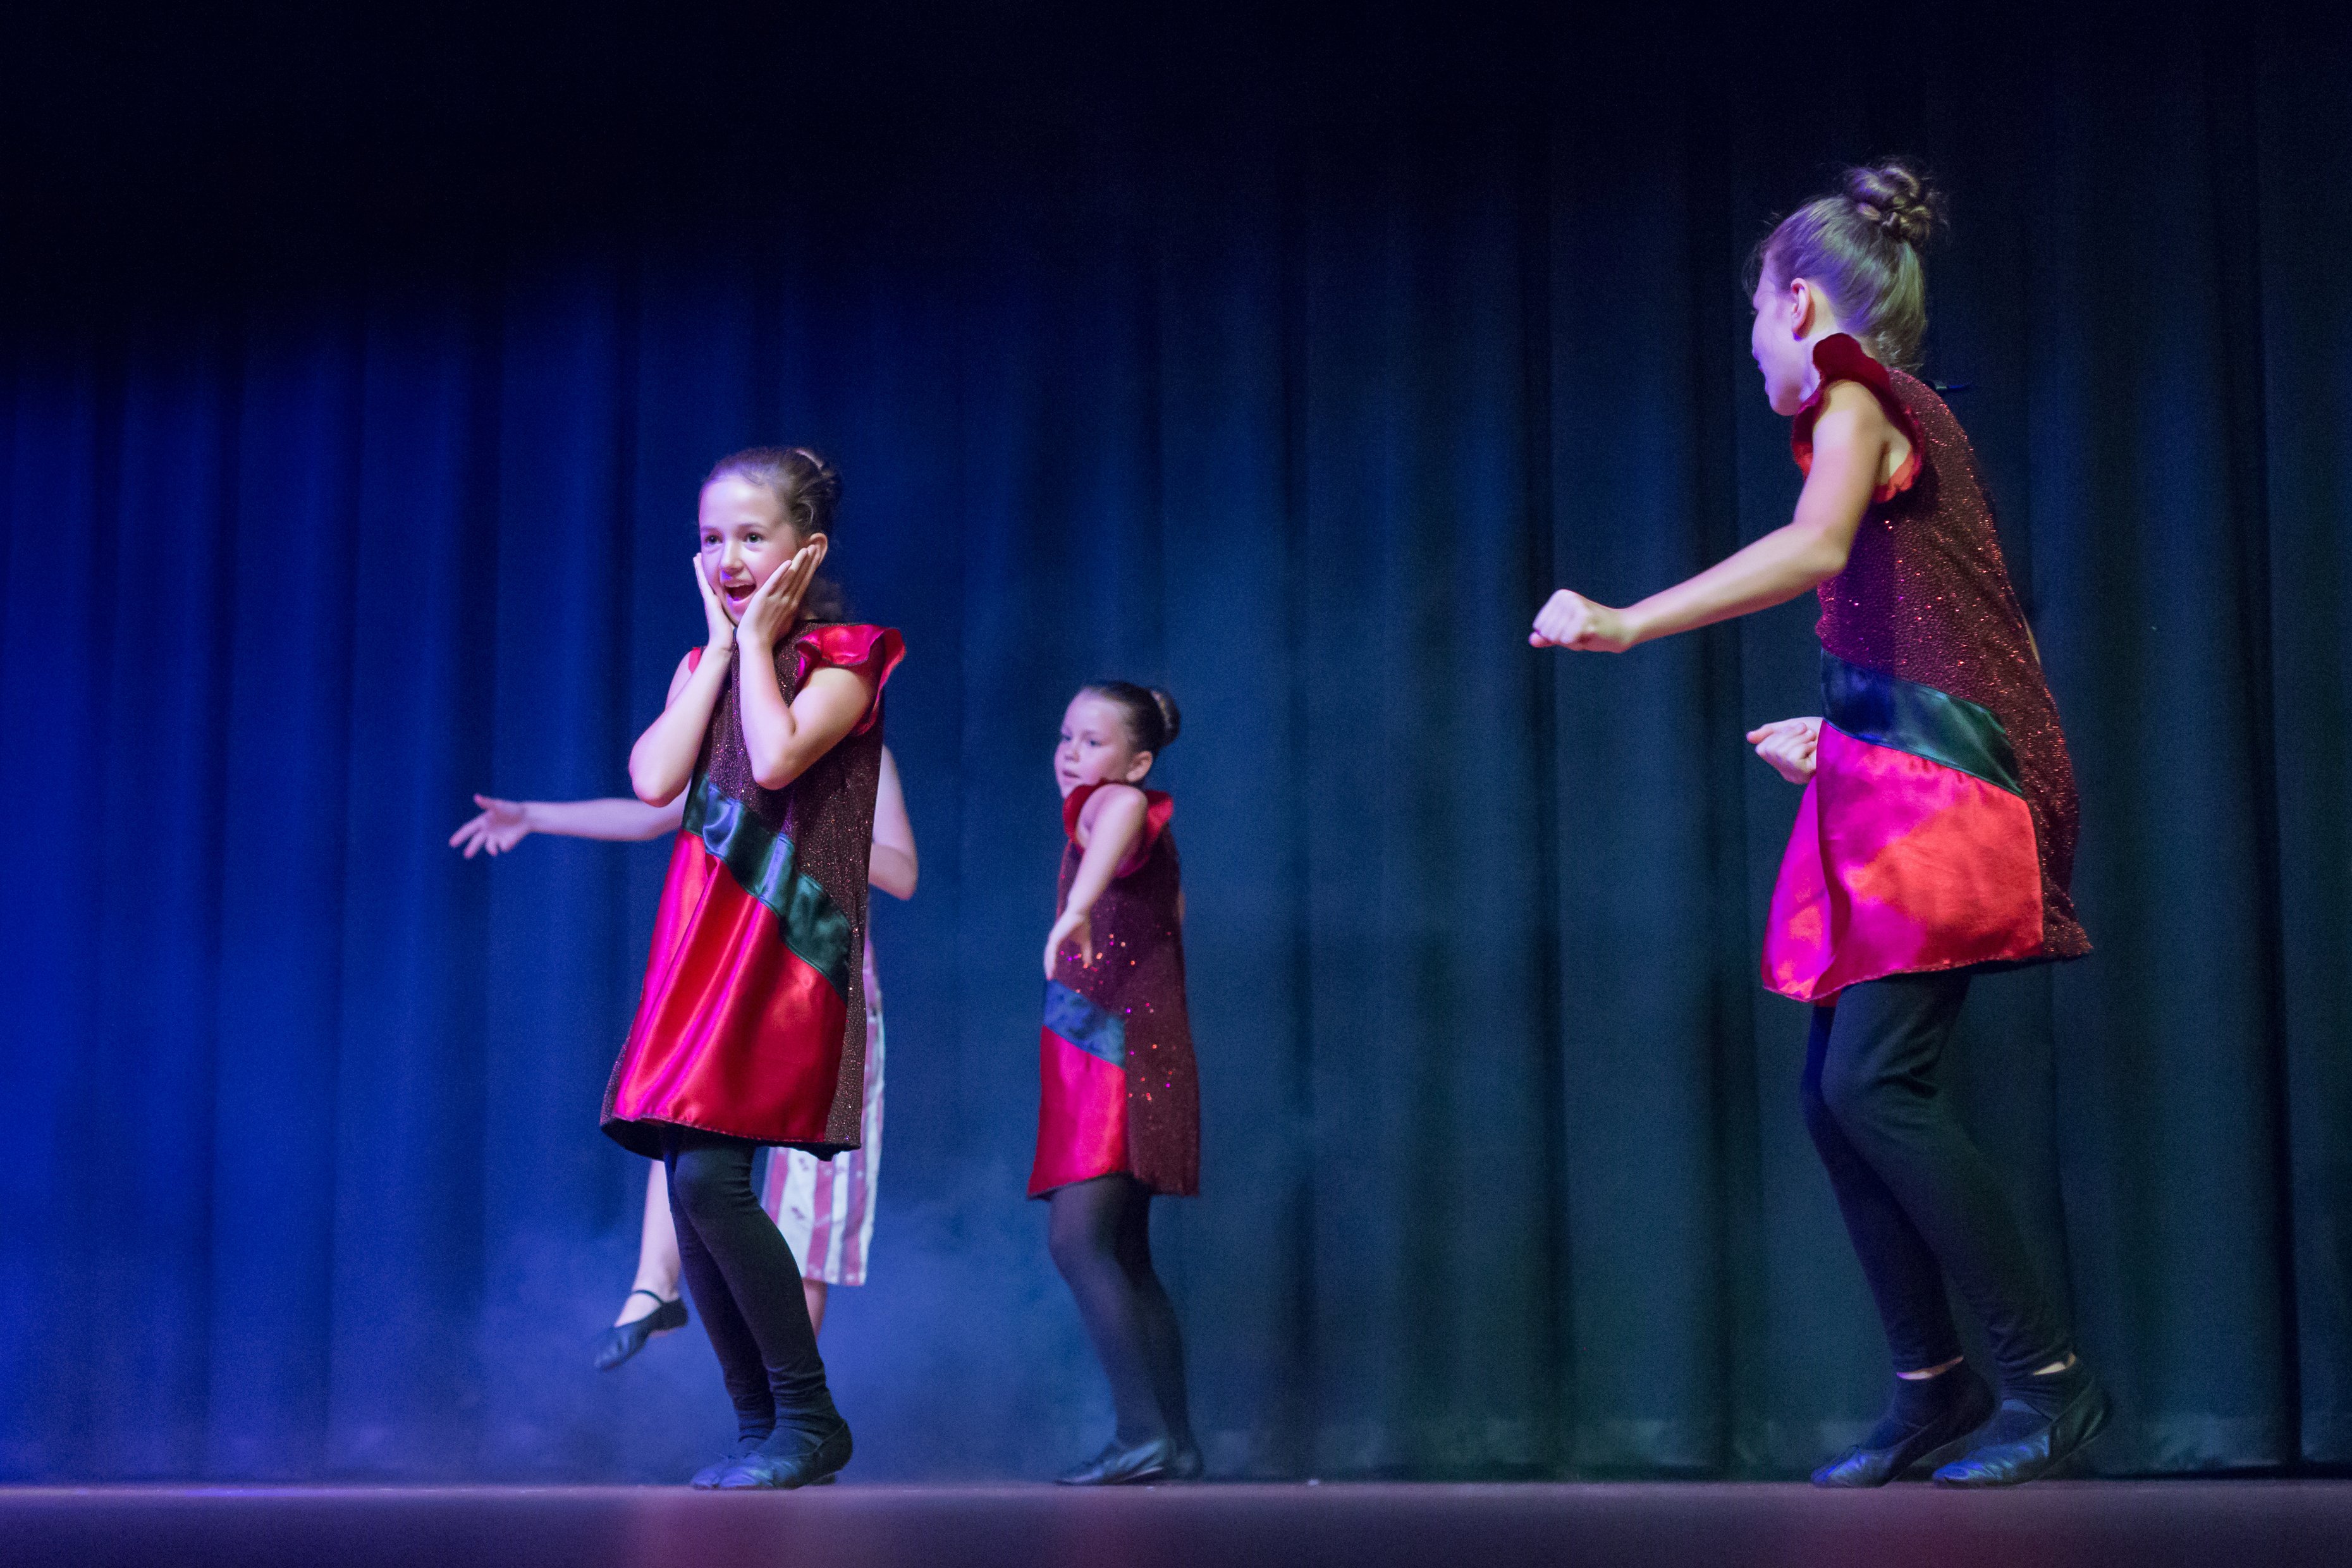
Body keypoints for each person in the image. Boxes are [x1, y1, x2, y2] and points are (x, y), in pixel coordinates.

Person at [1531, 162, 2104, 1488]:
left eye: (1753, 315)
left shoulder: (1859, 390)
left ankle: (2053, 1384)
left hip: (1954, 782)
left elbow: (1813, 549)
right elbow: (1940, 619)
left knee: (1872, 1085)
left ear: (1798, 303)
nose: (1751, 347)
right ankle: (1933, 1389)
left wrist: (1626, 620)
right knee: (1836, 1096)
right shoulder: (1895, 410)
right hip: (1902, 768)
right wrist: (1843, 735)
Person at [601, 446, 902, 1489]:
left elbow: (775, 759)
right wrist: (725, 651)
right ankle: (761, 1426)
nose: (727, 558)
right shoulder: (707, 664)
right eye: (710, 539)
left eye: (751, 536)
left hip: (786, 955)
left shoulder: (847, 660)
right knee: (691, 1184)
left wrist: (761, 645)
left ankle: (809, 1419)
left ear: (805, 549)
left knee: (711, 1180)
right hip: (701, 950)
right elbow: (654, 780)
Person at [448, 746, 917, 1368]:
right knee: (687, 1110)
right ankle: (655, 1284)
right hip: (740, 974)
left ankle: (790, 1404)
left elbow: (901, 871)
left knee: (809, 1222)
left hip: (826, 986)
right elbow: (650, 812)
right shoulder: (737, 739)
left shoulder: (861, 750)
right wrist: (533, 815)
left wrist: (809, 830)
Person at [1032, 682, 1202, 1485]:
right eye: (1067, 736)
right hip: (1113, 1044)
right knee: (1125, 1251)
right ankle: (1172, 1438)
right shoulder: (1108, 820)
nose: (1072, 754)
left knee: (1078, 1241)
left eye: (1093, 741)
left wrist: (1079, 905)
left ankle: (1142, 1433)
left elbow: (1125, 811)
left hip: (1113, 1050)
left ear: (1137, 762)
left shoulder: (1115, 806)